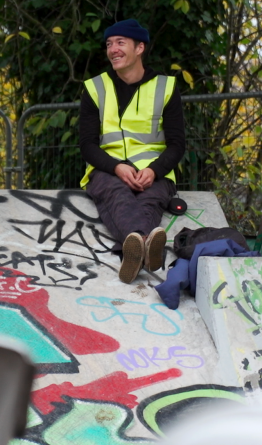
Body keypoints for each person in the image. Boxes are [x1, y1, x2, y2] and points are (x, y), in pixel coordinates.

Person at [79, 19, 186, 283]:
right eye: (109, 44)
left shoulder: (166, 87)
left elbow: (177, 144)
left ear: (140, 48)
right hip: (107, 169)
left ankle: (131, 251)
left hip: (154, 171)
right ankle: (146, 244)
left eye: (120, 43)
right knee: (117, 194)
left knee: (150, 199)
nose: (112, 49)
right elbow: (87, 144)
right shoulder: (94, 88)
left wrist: (154, 170)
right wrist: (116, 167)